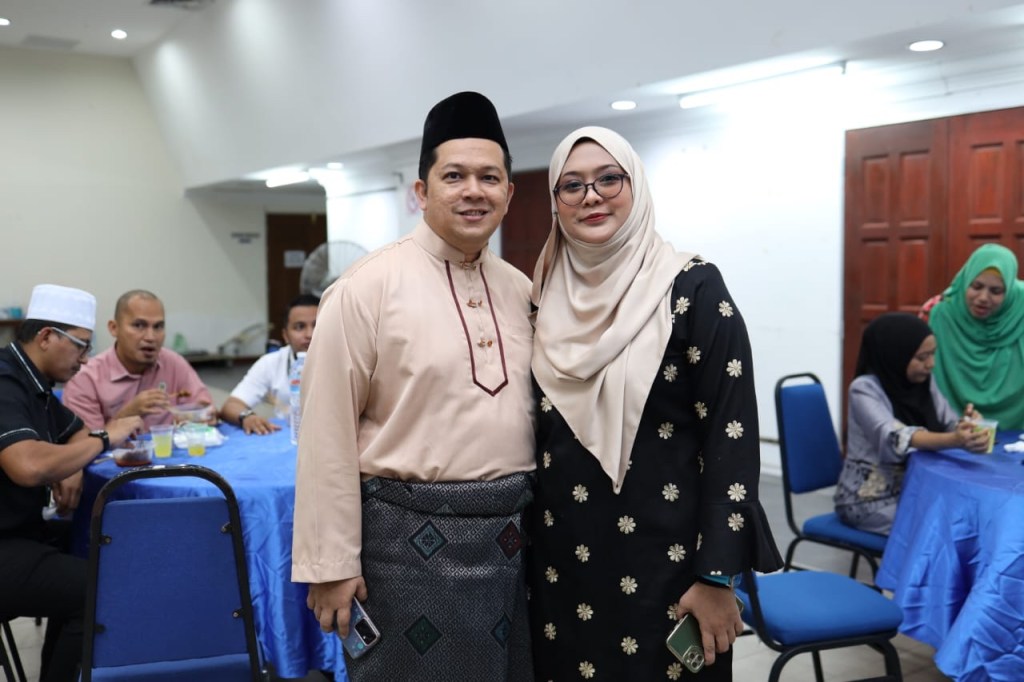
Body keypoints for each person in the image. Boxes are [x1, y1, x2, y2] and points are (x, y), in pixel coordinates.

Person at [292, 92, 536, 680]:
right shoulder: (364, 289)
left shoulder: (523, 290)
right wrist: (331, 564)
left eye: (489, 177)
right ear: (422, 192)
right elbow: (325, 433)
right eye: (454, 176)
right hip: (402, 549)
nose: (473, 191)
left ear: (509, 193)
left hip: (512, 543)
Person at [527, 127, 781, 681]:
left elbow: (732, 438)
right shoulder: (541, 297)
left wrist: (717, 577)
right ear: (555, 202)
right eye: (571, 185)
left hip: (672, 572)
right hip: (560, 568)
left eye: (608, 179)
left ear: (635, 185)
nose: (591, 196)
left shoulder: (692, 290)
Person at [0, 284, 142, 682]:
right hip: (5, 543)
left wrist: (72, 466)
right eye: (81, 346)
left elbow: (77, 433)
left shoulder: (36, 384)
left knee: (104, 545)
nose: (85, 359)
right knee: (98, 588)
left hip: (22, 532)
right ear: (47, 337)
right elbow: (27, 466)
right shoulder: (5, 382)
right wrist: (105, 438)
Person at [834, 313, 989, 534]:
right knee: (944, 531)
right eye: (922, 357)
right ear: (895, 356)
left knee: (971, 518)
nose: (931, 364)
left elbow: (947, 422)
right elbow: (895, 437)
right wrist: (954, 440)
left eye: (932, 354)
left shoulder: (923, 382)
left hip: (916, 489)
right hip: (869, 501)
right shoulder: (864, 389)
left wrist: (967, 427)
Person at [62, 289, 214, 430]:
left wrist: (203, 416)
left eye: (158, 327)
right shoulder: (85, 378)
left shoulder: (174, 363)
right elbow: (86, 444)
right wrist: (129, 413)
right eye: (139, 325)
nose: (151, 337)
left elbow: (206, 410)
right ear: (114, 328)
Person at [926, 243, 1024, 430]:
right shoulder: (941, 314)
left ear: (1010, 290)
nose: (983, 298)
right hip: (953, 430)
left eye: (996, 291)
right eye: (976, 286)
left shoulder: (1020, 311)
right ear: (965, 281)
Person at [220, 294, 320, 435]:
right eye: (299, 327)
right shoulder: (270, 363)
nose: (309, 334)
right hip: (289, 436)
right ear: (285, 335)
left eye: (317, 325)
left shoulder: (346, 360)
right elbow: (232, 405)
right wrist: (247, 417)